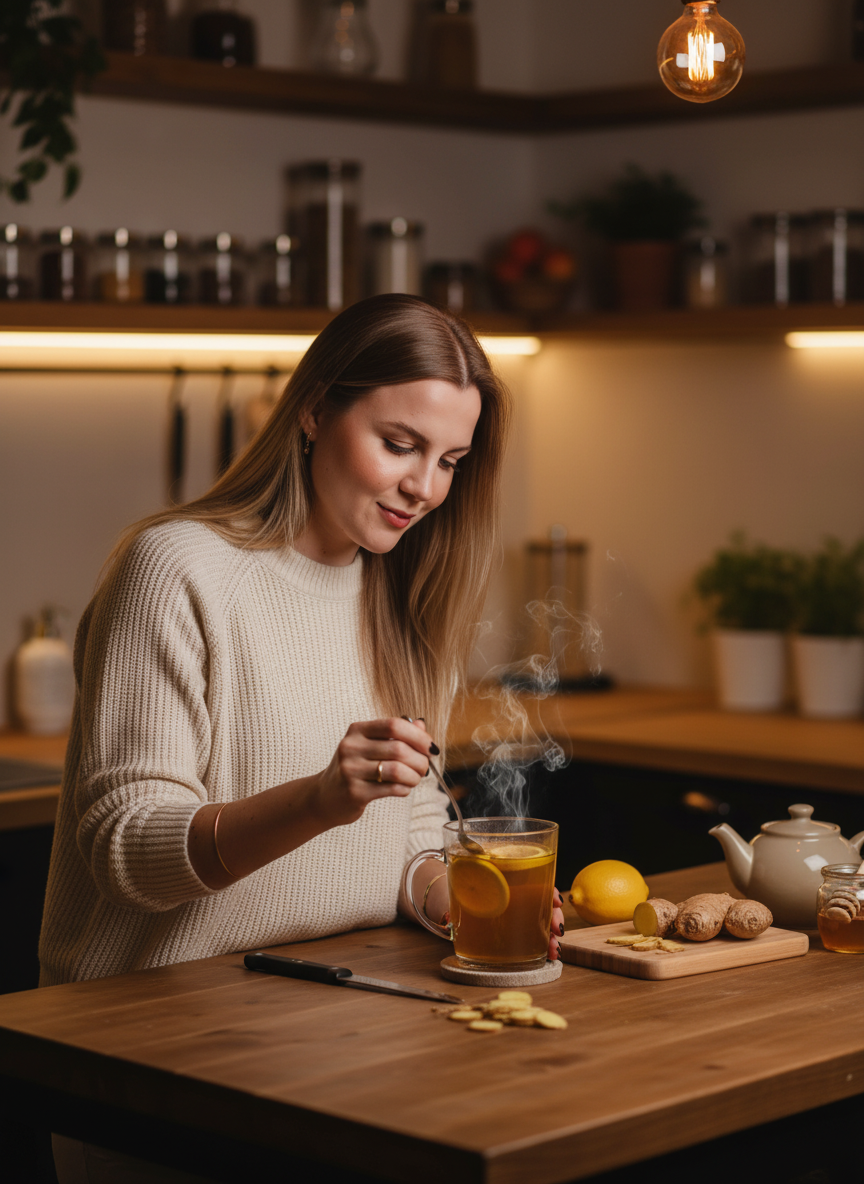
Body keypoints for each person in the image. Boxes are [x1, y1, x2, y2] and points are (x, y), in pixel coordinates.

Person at [41, 293, 565, 1181]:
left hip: (343, 1024)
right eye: (400, 445)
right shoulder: (177, 570)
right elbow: (127, 853)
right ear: (315, 409)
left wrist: (454, 897)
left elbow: (407, 835)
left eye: (450, 461)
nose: (425, 489)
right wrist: (320, 799)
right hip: (157, 1055)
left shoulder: (400, 599)